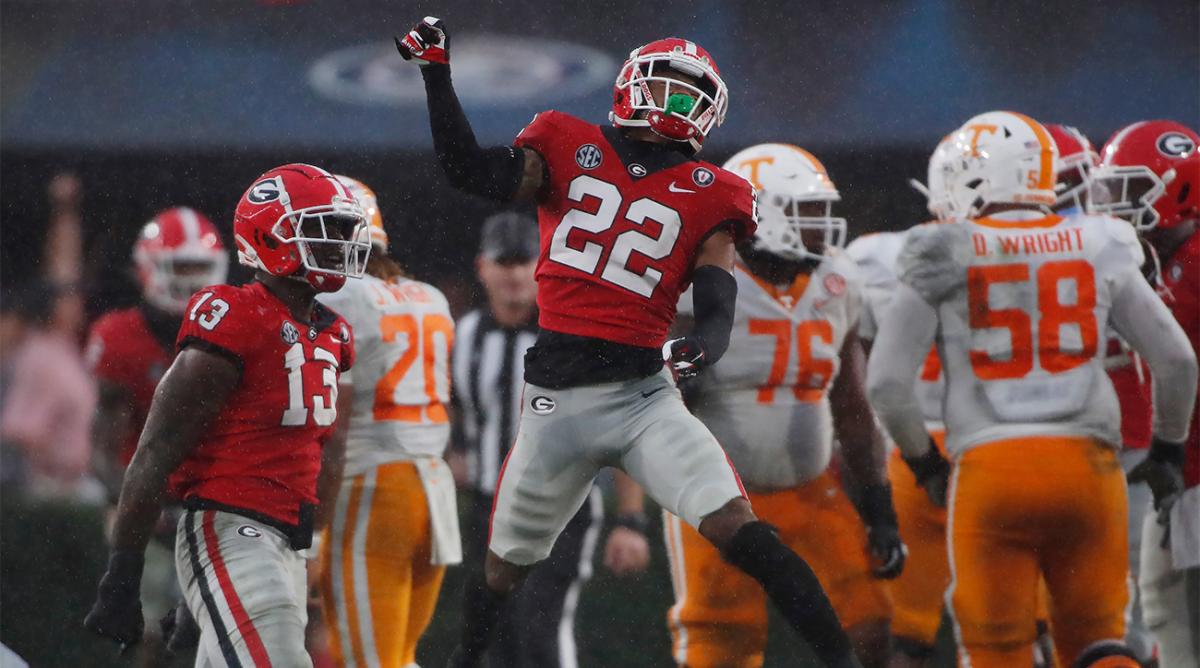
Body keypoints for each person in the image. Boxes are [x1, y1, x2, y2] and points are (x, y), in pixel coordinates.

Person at [396, 17, 861, 668]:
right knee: (500, 574)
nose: (676, 105)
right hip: (554, 407)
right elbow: (467, 169)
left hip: (645, 395)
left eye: (689, 96)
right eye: (667, 89)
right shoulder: (564, 140)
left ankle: (844, 661)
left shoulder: (714, 193)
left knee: (745, 532)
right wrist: (437, 76)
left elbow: (717, 294)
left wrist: (705, 344)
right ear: (631, 86)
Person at [866, 111, 1198, 668]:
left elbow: (885, 384)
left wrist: (926, 466)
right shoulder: (1101, 239)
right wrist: (1168, 448)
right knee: (1100, 641)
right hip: (1090, 470)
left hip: (990, 468)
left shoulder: (943, 247)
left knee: (999, 646)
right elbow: (1176, 361)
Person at [84, 163, 370, 666]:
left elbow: (329, 451)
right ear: (272, 236)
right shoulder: (232, 315)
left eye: (344, 230)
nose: (340, 243)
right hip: (232, 526)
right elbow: (158, 447)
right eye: (324, 230)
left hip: (288, 540)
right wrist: (122, 573)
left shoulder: (336, 333)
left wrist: (318, 539)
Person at [665, 143, 902, 668]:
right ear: (759, 211)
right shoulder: (694, 280)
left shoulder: (838, 281)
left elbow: (853, 407)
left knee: (871, 623)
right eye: (807, 211)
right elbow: (657, 398)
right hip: (720, 497)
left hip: (812, 492)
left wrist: (880, 505)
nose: (823, 225)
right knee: (720, 642)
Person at [450, 211, 651, 668]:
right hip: (489, 506)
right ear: (484, 268)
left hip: (560, 508)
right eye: (506, 262)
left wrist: (632, 518)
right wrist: (454, 451)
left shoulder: (575, 337)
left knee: (538, 632)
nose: (517, 274)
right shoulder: (463, 337)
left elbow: (621, 425)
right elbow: (450, 407)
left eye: (527, 262)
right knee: (497, 642)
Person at [315, 175, 461, 667]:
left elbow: (333, 430)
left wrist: (313, 534)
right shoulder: (431, 298)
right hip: (433, 490)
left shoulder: (340, 300)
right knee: (400, 657)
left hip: (372, 490)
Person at [85, 206, 228, 665]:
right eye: (180, 267)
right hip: (146, 500)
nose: (189, 282)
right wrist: (136, 505)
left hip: (217, 500)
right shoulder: (120, 336)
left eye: (198, 269)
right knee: (145, 634)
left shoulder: (234, 330)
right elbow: (103, 448)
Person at [1046, 121, 1159, 665]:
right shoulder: (1107, 241)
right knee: (1122, 607)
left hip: (1069, 441)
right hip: (1115, 434)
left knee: (1116, 607)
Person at [1093, 119, 1200, 668]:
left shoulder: (1194, 261)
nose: (1116, 203)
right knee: (1158, 602)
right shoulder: (1155, 261)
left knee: (1163, 602)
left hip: (1190, 458)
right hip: (1183, 459)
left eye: (1132, 189)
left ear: (1179, 188)